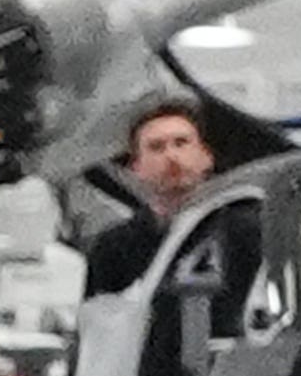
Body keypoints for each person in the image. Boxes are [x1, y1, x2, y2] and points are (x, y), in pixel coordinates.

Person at [74, 96, 218, 294]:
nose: (171, 156)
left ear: (206, 156)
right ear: (136, 167)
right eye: (156, 147)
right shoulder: (115, 247)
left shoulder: (241, 230)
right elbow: (101, 318)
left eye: (181, 143)